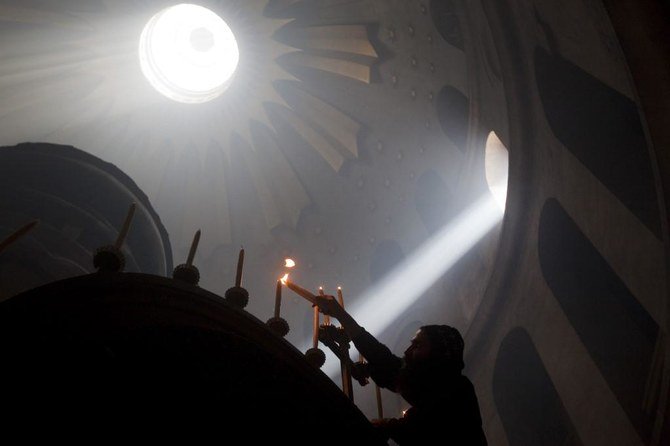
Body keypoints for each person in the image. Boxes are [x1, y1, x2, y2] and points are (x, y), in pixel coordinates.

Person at [314, 294, 487, 445]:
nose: (407, 351)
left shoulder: (457, 389)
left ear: (438, 353)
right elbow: (383, 359)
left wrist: (388, 426)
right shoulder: (429, 382)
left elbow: (428, 427)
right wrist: (339, 313)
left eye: (417, 345)